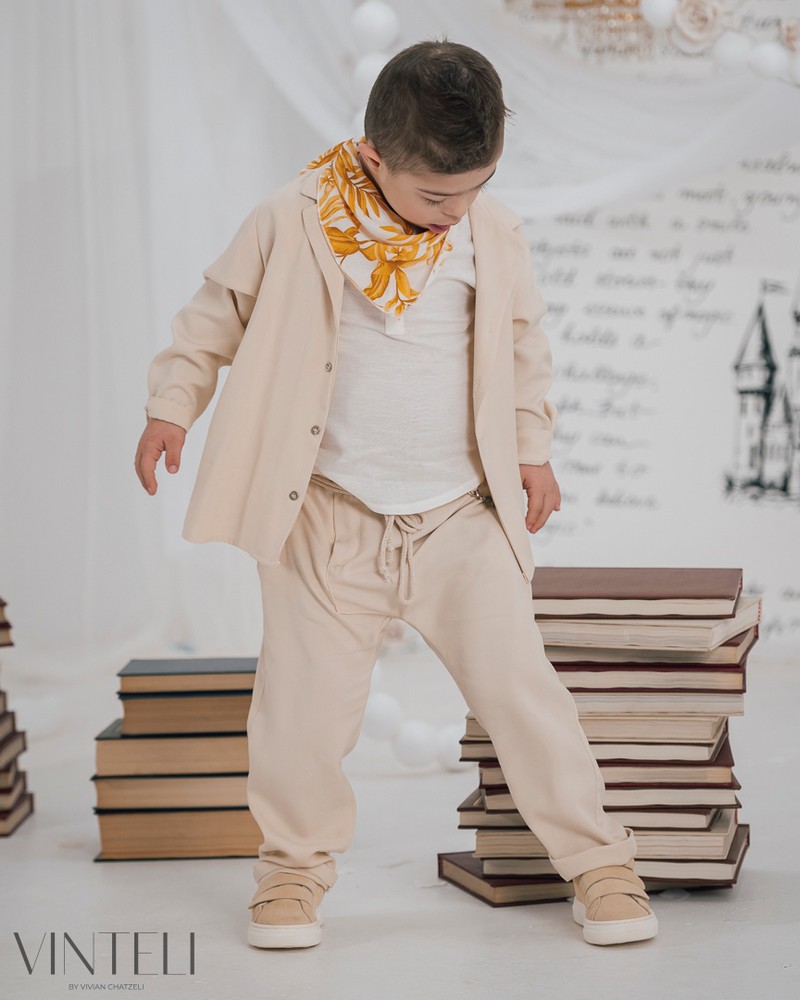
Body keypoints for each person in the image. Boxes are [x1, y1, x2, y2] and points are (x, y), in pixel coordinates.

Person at [134, 40, 658, 949]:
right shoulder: (292, 217)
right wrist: (171, 405)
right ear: (375, 158)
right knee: (300, 716)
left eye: (477, 189)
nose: (458, 211)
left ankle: (599, 861)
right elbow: (215, 314)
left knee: (527, 699)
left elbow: (523, 346)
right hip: (326, 516)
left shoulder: (490, 232)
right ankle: (292, 870)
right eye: (437, 196)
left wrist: (532, 451)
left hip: (461, 518)